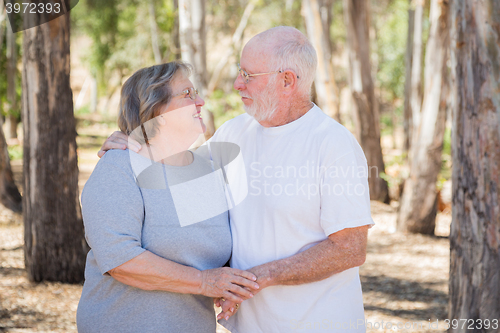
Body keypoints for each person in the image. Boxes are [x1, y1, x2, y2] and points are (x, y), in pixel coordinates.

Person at [100, 26, 374, 333]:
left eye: (248, 75)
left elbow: (350, 248)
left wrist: (259, 277)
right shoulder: (234, 133)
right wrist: (132, 141)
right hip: (250, 326)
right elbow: (173, 172)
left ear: (287, 81)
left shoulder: (332, 144)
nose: (237, 83)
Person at [76, 61, 259, 333]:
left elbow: (209, 249)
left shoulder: (208, 172)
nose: (201, 101)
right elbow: (120, 261)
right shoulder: (119, 166)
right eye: (187, 94)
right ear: (155, 109)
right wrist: (204, 281)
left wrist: (230, 286)